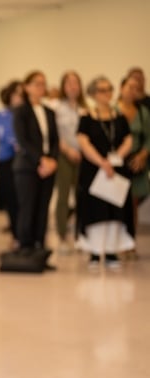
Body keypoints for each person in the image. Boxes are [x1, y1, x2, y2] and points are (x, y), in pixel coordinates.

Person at [76, 76, 134, 270]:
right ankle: (94, 251)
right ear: (93, 94)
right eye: (102, 90)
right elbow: (83, 142)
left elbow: (128, 140)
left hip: (116, 170)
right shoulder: (86, 117)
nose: (107, 93)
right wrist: (102, 162)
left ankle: (111, 251)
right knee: (95, 211)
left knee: (114, 211)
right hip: (94, 171)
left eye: (109, 89)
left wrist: (115, 158)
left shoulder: (119, 117)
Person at [12, 71, 59, 256]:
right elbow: (23, 141)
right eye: (37, 84)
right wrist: (41, 160)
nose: (41, 87)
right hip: (27, 167)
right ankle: (25, 247)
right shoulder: (20, 111)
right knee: (28, 207)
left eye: (43, 84)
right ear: (27, 87)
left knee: (43, 208)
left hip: (48, 167)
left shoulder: (49, 112)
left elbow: (55, 140)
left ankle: (40, 247)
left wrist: (52, 160)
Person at [53, 71, 87, 254]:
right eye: (69, 83)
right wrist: (68, 150)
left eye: (76, 82)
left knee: (82, 196)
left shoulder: (85, 108)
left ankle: (80, 235)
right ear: (63, 86)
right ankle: (62, 236)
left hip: (84, 156)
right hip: (64, 155)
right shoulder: (57, 108)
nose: (73, 86)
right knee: (63, 197)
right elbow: (55, 134)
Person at [116, 75, 150, 256]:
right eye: (130, 87)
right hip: (117, 161)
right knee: (118, 202)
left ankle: (130, 241)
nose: (133, 91)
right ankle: (117, 242)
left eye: (137, 88)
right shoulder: (113, 110)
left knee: (133, 204)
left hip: (137, 161)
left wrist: (143, 155)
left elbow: (148, 138)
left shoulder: (143, 112)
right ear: (121, 88)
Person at [0, 80, 23, 247]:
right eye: (16, 94)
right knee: (11, 199)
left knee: (22, 199)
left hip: (22, 160)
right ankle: (15, 234)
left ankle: (23, 234)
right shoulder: (1, 115)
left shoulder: (25, 115)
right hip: (5, 161)